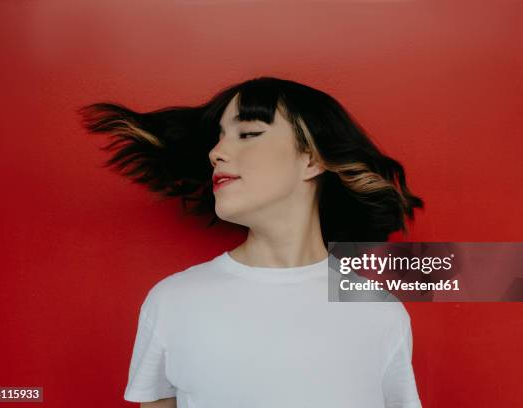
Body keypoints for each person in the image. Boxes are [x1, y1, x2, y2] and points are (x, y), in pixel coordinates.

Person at [78, 76, 424, 408]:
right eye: (219, 137)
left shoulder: (381, 312)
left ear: (312, 159)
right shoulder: (172, 302)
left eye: (248, 133)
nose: (216, 152)